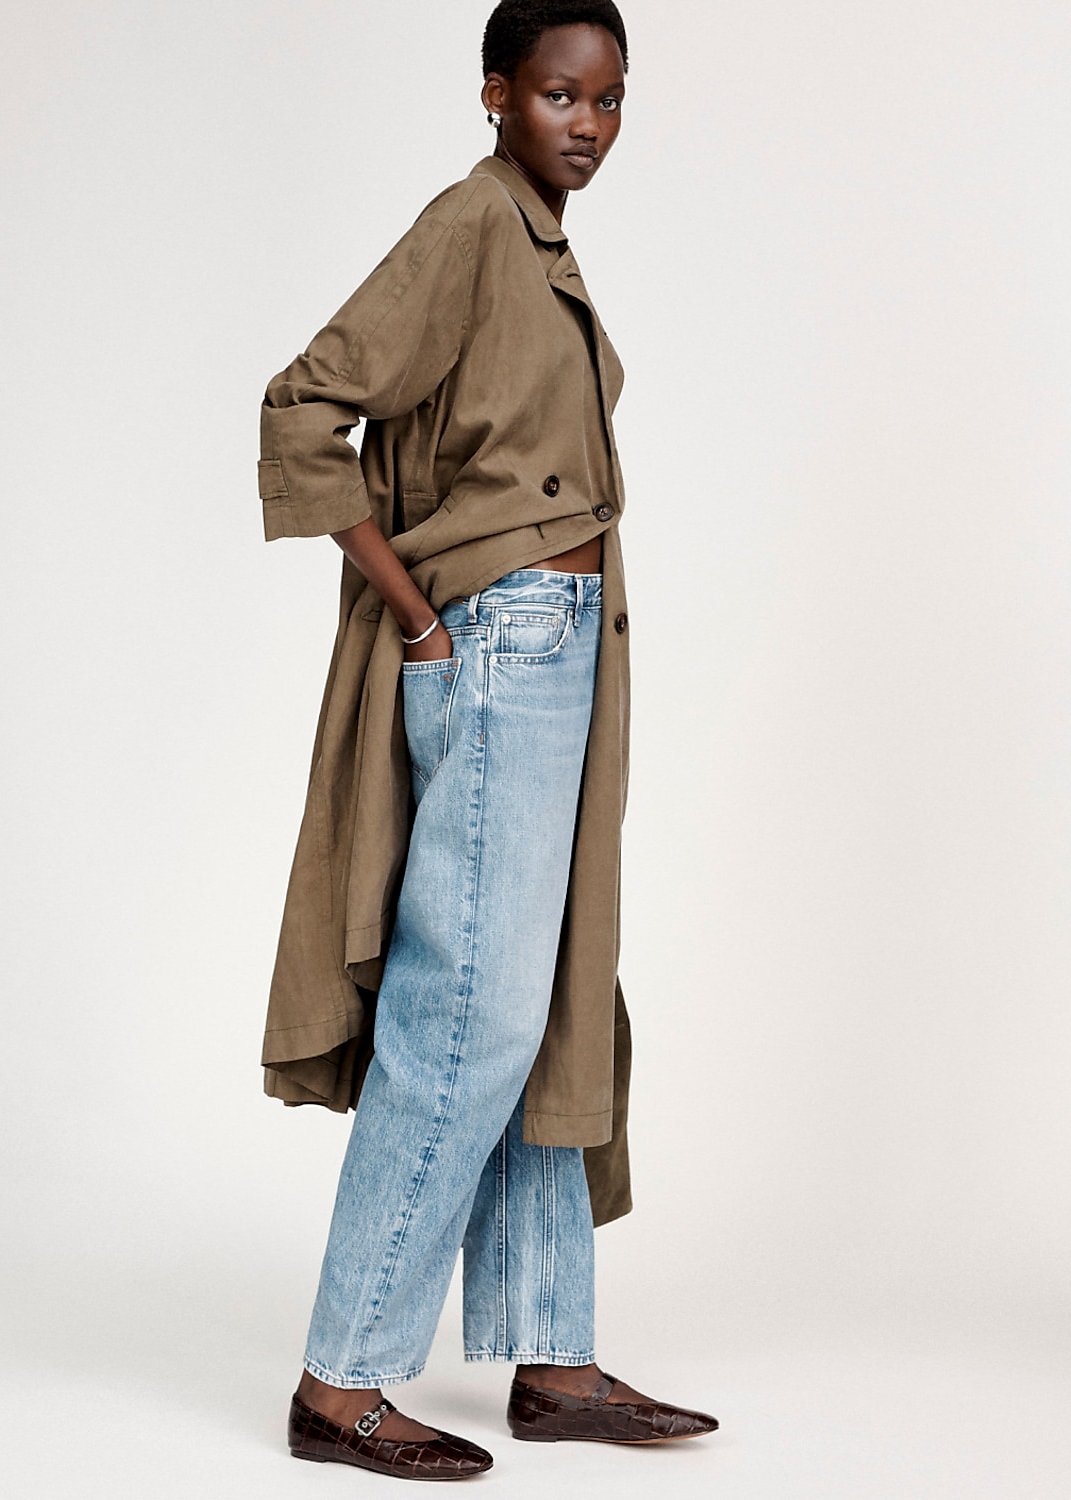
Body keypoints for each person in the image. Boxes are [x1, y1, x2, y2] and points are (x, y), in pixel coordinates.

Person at [257, 0, 719, 1480]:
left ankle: (549, 1353)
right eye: (560, 96)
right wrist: (419, 618)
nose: (588, 123)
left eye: (609, 99)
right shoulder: (469, 224)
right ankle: (342, 1385)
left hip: (563, 653)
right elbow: (303, 409)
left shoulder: (540, 236)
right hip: (502, 645)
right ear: (497, 96)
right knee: (469, 1016)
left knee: (550, 992)